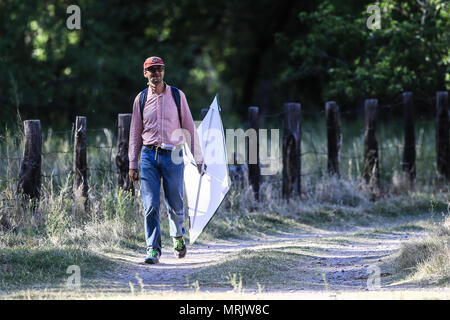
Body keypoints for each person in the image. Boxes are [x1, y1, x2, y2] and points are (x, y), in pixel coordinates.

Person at [128, 56, 205, 264]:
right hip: (148, 156)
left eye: (159, 69)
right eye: (151, 70)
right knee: (151, 204)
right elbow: (135, 132)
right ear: (145, 73)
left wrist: (199, 158)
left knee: (176, 202)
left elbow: (189, 127)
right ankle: (153, 249)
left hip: (173, 155)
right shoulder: (141, 98)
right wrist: (132, 164)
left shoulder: (178, 96)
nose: (156, 73)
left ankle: (178, 236)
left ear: (164, 71)